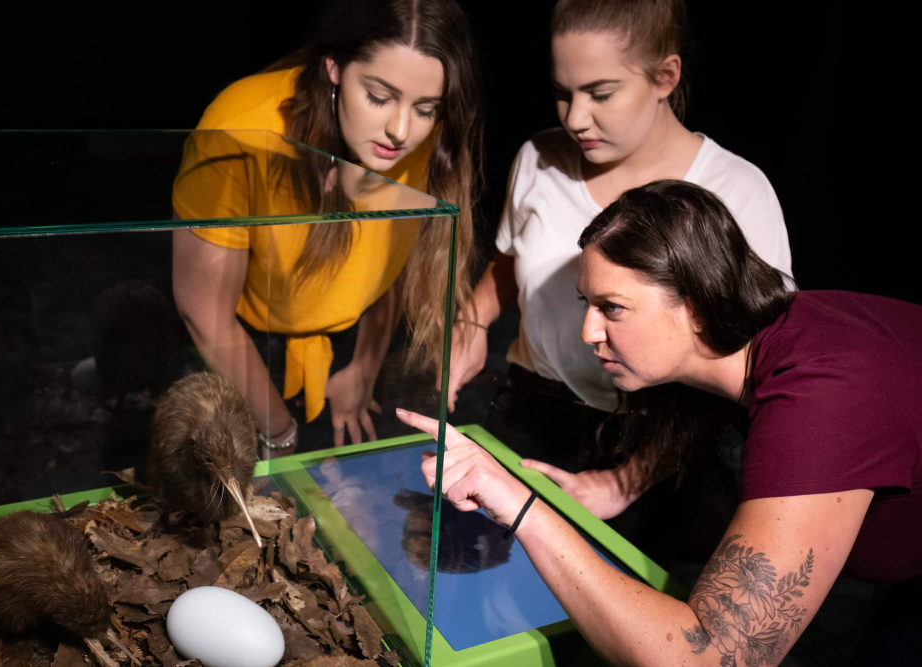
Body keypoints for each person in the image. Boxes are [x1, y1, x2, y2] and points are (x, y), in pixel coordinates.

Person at [400, 180, 922, 666]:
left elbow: (711, 658)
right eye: (587, 304)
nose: (588, 332)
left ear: (697, 303)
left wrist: (521, 507)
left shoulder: (820, 401)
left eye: (612, 308)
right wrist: (618, 484)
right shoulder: (772, 337)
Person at [445, 0, 793, 482]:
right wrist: (472, 322)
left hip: (668, 439)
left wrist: (628, 480)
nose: (575, 118)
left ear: (665, 77)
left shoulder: (737, 189)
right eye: (563, 93)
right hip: (532, 409)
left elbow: (760, 359)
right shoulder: (539, 158)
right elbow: (510, 262)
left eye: (601, 93)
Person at [170, 0, 483, 455]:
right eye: (378, 97)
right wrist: (279, 434)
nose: (400, 130)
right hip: (241, 352)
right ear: (334, 65)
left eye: (425, 108)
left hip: (359, 341)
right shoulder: (239, 127)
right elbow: (205, 313)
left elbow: (394, 252)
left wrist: (364, 368)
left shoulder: (430, 133)